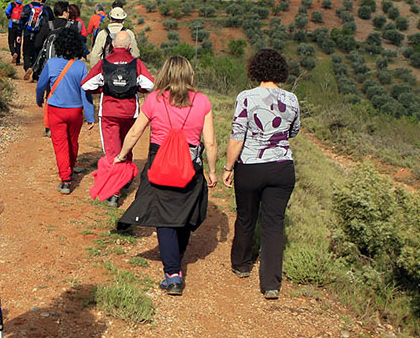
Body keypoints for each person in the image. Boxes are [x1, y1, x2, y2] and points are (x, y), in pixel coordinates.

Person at [114, 55, 217, 296]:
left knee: (164, 214)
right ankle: (176, 260)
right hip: (190, 165)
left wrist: (121, 154)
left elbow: (134, 133)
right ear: (189, 74)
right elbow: (210, 142)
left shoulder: (153, 100)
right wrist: (212, 171)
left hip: (159, 162)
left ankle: (172, 275)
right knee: (183, 210)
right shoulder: (202, 102)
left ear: (165, 74)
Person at [222, 49, 299, 300]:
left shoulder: (246, 97)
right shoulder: (292, 99)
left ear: (255, 70)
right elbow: (293, 131)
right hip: (282, 166)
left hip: (250, 165)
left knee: (246, 216)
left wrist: (228, 167)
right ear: (280, 70)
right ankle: (271, 284)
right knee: (274, 224)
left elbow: (237, 135)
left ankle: (241, 265)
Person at [81, 30, 155, 207]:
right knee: (126, 146)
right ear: (130, 46)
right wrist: (135, 89)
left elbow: (86, 85)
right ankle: (126, 178)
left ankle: (114, 192)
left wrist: (104, 89)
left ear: (113, 45)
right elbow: (149, 85)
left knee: (112, 152)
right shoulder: (136, 63)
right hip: (130, 112)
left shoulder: (104, 63)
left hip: (108, 112)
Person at [36, 28, 95, 194]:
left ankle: (66, 179)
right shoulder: (81, 66)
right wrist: (90, 116)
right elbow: (86, 93)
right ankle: (72, 165)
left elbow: (41, 85)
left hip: (56, 110)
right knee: (73, 141)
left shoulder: (52, 63)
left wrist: (39, 100)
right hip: (75, 111)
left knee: (60, 144)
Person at [26, 1, 73, 81]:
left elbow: (37, 44)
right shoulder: (71, 27)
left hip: (49, 63)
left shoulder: (48, 25)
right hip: (66, 64)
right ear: (64, 12)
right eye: (68, 12)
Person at [20, 0, 48, 72]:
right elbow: (46, 22)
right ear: (41, 0)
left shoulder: (27, 7)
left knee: (26, 51)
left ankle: (27, 67)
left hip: (27, 32)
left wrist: (19, 32)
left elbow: (21, 20)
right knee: (36, 52)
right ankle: (35, 70)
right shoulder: (44, 9)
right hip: (38, 34)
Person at [4, 0, 25, 65]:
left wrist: (10, 17)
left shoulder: (12, 4)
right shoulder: (23, 7)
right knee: (18, 43)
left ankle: (13, 53)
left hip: (12, 26)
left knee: (11, 41)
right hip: (20, 27)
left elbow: (6, 11)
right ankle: (18, 61)